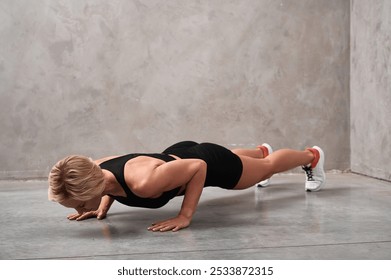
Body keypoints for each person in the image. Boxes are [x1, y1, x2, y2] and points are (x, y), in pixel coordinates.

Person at [48, 141, 325, 232]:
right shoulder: (94, 169)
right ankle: (259, 150)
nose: (80, 208)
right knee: (241, 160)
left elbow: (198, 168)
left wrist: (185, 215)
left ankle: (311, 156)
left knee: (266, 169)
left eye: (81, 203)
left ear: (92, 188)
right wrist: (99, 208)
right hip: (174, 157)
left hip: (204, 162)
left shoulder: (144, 183)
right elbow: (109, 184)